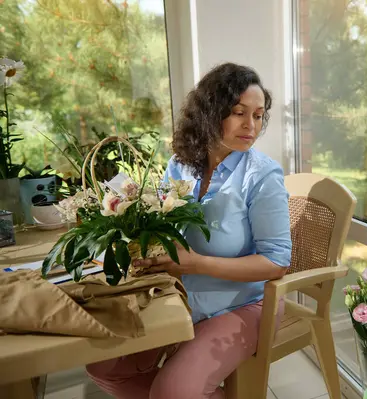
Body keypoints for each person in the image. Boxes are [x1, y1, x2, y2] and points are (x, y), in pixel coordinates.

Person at [86, 63, 292, 399]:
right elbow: (166, 227)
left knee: (172, 392)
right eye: (239, 113)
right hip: (177, 296)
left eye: (257, 115)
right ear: (210, 113)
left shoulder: (262, 176)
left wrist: (194, 263)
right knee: (103, 367)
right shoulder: (180, 164)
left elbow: (276, 263)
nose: (250, 126)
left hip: (245, 304)